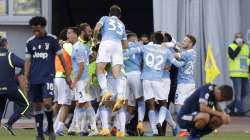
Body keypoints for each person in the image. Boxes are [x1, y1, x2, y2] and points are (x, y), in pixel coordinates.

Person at [124, 32, 184, 136]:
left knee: (152, 106)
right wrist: (185, 61)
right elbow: (175, 64)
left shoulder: (147, 47)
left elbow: (129, 52)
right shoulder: (167, 49)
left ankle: (162, 128)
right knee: (162, 104)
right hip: (160, 79)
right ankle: (161, 126)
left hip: (148, 79)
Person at [24, 16, 71, 140]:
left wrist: (68, 75)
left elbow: (62, 59)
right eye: (33, 30)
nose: (35, 32)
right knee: (37, 106)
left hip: (48, 77)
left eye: (37, 30)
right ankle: (39, 134)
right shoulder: (30, 42)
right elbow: (28, 62)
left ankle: (50, 127)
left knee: (47, 103)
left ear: (43, 27)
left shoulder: (52, 40)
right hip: (34, 78)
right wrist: (26, 78)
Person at [93, 5, 128, 135]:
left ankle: (106, 91)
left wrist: (95, 39)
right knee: (117, 73)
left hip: (106, 42)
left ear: (109, 13)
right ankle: (120, 96)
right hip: (118, 46)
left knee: (100, 69)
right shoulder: (122, 24)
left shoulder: (105, 18)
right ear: (120, 15)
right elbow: (125, 45)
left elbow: (96, 29)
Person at [68, 27, 98, 136]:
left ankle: (94, 129)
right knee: (80, 104)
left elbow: (81, 67)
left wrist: (74, 81)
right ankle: (74, 127)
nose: (68, 35)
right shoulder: (78, 47)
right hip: (82, 79)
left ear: (76, 34)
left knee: (86, 104)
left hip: (81, 80)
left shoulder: (78, 48)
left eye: (70, 33)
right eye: (67, 33)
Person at [0, 37, 30, 136]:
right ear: (6, 44)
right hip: (10, 88)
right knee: (25, 104)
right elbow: (24, 64)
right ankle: (9, 123)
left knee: (0, 108)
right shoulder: (9, 55)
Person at [123, 32, 145, 136]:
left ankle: (118, 126)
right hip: (136, 74)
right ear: (135, 39)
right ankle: (140, 122)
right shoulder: (141, 46)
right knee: (140, 100)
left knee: (125, 103)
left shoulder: (122, 47)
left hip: (125, 76)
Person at [175, 34, 197, 136]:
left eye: (185, 41)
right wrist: (178, 47)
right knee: (189, 108)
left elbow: (176, 56)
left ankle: (183, 130)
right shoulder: (193, 53)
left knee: (179, 106)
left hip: (183, 84)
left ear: (190, 43)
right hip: (191, 83)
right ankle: (191, 128)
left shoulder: (186, 54)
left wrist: (171, 46)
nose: (182, 42)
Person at [53, 28, 73, 136]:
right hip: (64, 77)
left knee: (59, 104)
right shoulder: (67, 45)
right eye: (69, 34)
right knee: (65, 104)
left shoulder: (59, 46)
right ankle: (56, 128)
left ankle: (53, 127)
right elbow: (75, 56)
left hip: (58, 76)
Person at [227, 32, 250, 116]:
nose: (239, 38)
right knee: (238, 93)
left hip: (244, 74)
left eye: (240, 37)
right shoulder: (231, 46)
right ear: (235, 38)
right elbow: (233, 56)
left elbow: (248, 59)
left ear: (243, 38)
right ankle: (239, 111)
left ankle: (230, 107)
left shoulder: (247, 47)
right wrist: (239, 47)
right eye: (237, 37)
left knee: (247, 92)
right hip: (236, 74)